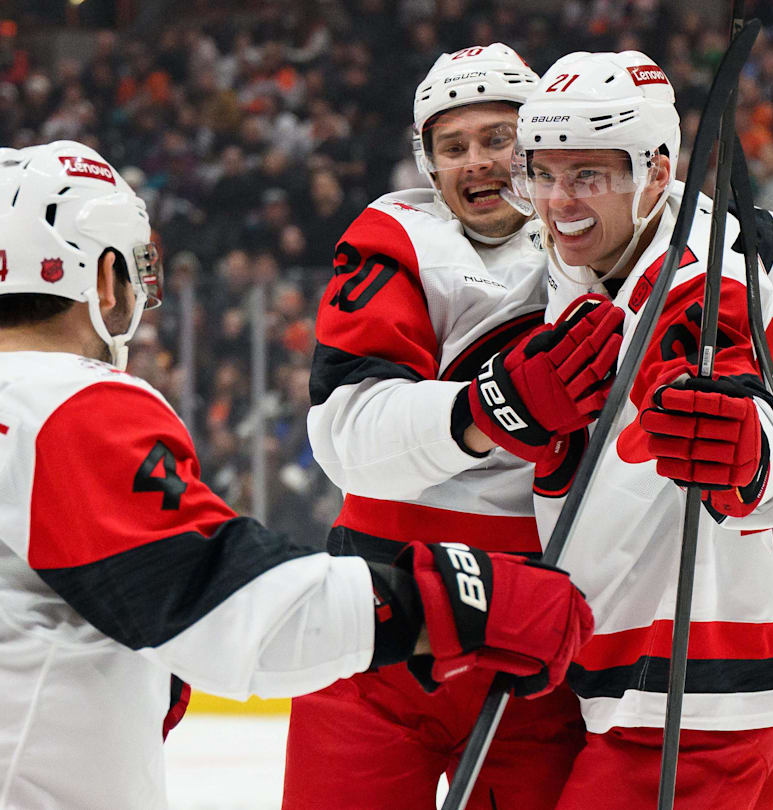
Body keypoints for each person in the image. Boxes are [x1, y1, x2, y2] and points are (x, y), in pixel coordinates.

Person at [0, 140, 595, 810]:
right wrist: (458, 598)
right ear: (102, 278)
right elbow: (234, 605)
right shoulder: (79, 407)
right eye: (131, 268)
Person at [512, 51, 773, 808]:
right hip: (656, 671)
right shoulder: (591, 255)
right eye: (544, 175)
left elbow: (752, 418)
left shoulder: (698, 293)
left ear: (653, 172)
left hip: (692, 691)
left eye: (587, 176)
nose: (558, 202)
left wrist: (761, 462)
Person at [283, 44, 604, 810]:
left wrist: (747, 242)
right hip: (382, 621)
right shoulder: (397, 235)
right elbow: (349, 435)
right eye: (451, 146)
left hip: (534, 631)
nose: (476, 162)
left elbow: (704, 241)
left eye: (498, 138)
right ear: (426, 164)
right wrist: (492, 409)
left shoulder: (600, 228)